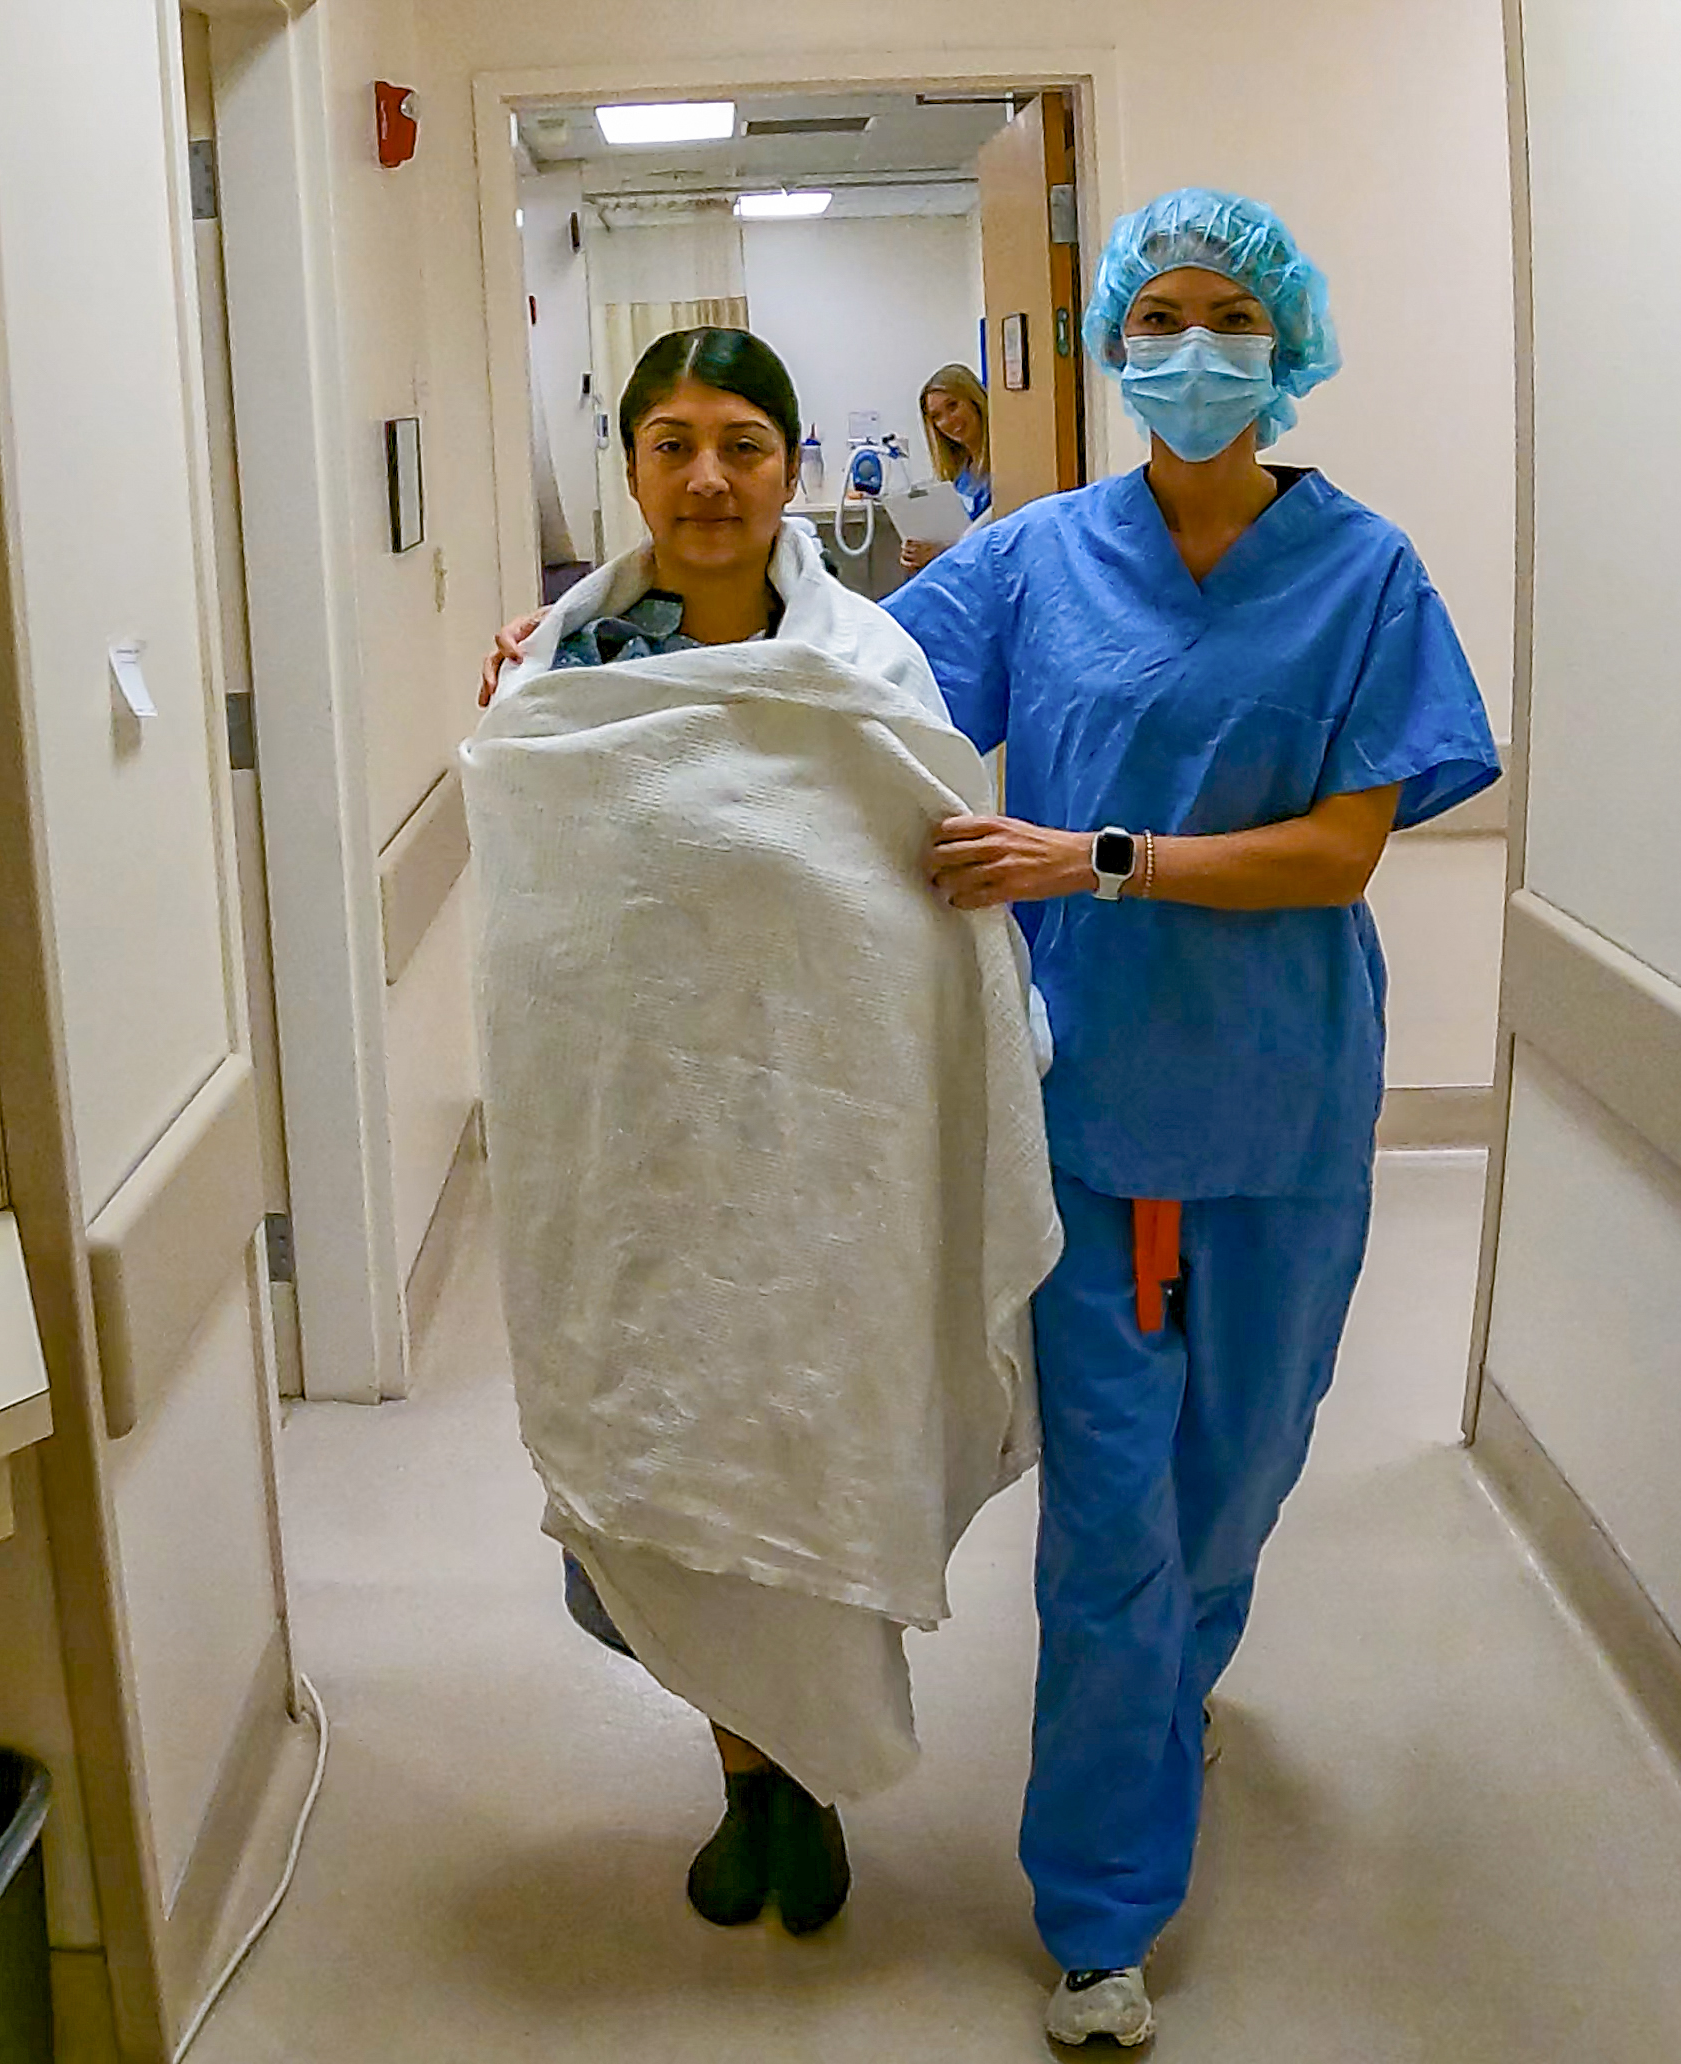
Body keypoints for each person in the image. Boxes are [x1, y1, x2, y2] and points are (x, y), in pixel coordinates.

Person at [881, 189, 1501, 2049]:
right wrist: (620, 625)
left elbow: (1341, 845)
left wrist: (1104, 855)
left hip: (1286, 1097)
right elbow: (836, 677)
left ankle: (1165, 1695)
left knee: (1235, 1487)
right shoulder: (1033, 559)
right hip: (1090, 1108)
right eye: (1162, 312)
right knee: (1110, 1531)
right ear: (1116, 348)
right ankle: (1099, 1911)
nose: (1196, 344)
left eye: (1233, 314)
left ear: (1284, 345)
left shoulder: (1367, 570)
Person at [466, 328, 1059, 1942]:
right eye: (672, 443)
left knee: (818, 1446)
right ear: (635, 468)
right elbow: (543, 925)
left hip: (825, 1164)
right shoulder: (560, 682)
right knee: (671, 1464)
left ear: (791, 463)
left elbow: (922, 909)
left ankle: (807, 1779)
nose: (708, 476)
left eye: (741, 441)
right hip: (639, 1170)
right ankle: (745, 1777)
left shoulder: (869, 667)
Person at [902, 362, 995, 572]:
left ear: (975, 401)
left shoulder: (1006, 467)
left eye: (953, 406)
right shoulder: (960, 475)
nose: (948, 421)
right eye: (936, 416)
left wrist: (943, 552)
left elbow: (995, 541)